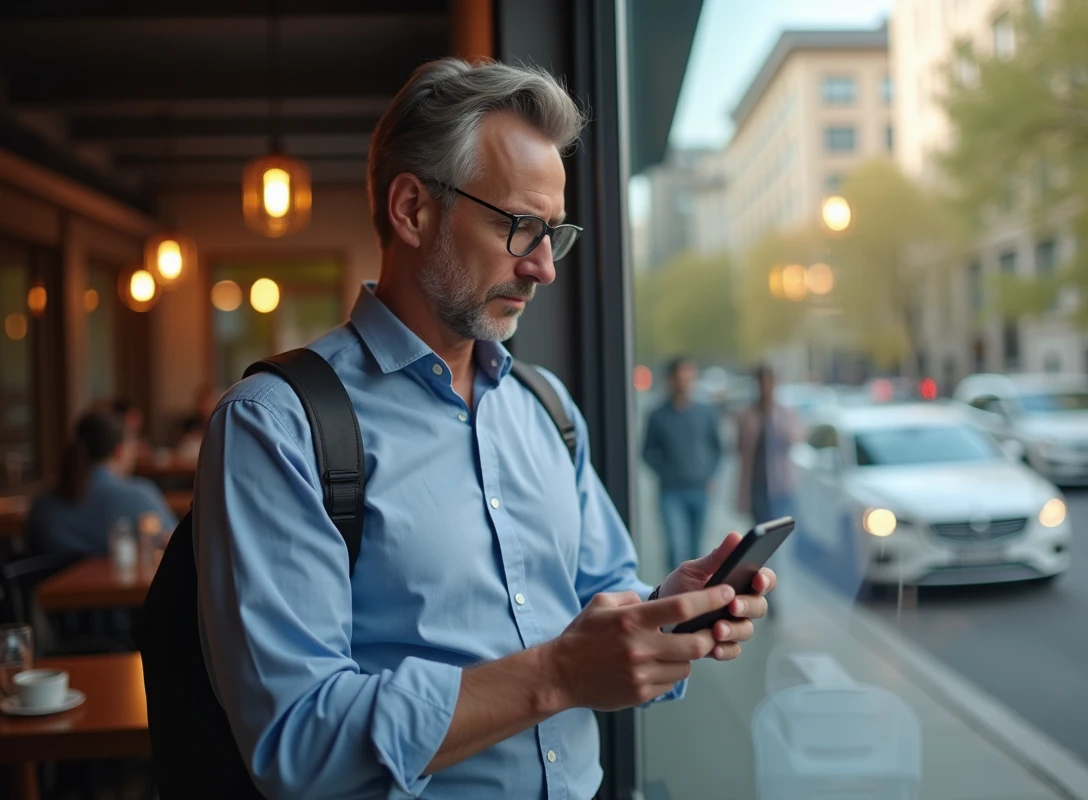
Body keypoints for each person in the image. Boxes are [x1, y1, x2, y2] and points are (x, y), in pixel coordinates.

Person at [192, 58, 778, 800]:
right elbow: (299, 741)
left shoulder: (547, 408)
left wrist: (669, 613)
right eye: (520, 228)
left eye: (553, 234)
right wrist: (559, 673)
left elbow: (601, 591)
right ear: (412, 210)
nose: (544, 269)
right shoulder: (277, 428)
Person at [26, 411, 177, 557]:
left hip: (47, 582)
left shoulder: (42, 503)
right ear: (120, 451)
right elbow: (174, 544)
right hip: (122, 582)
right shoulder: (139, 495)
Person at [641, 356, 723, 567]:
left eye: (688, 377)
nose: (684, 383)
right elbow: (646, 452)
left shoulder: (705, 412)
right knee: (676, 547)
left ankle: (695, 598)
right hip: (671, 492)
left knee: (697, 551)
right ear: (671, 380)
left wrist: (711, 475)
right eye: (680, 378)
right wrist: (666, 472)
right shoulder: (658, 415)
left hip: (699, 489)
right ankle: (673, 596)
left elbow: (718, 448)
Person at [737, 364, 801, 524]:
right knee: (761, 530)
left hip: (780, 483)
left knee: (778, 528)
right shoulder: (749, 414)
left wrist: (773, 420)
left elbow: (795, 437)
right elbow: (739, 447)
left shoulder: (784, 413)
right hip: (756, 483)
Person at [174, 385, 218, 463]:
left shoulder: (220, 425)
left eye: (209, 403)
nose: (205, 407)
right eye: (202, 403)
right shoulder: (190, 425)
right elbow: (180, 451)